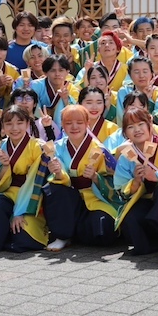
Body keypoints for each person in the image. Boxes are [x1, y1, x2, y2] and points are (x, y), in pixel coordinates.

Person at [42, 105, 120, 251]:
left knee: (103, 231)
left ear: (87, 124)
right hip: (68, 199)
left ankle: (76, 231)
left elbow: (113, 179)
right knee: (54, 188)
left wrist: (96, 177)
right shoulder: (56, 148)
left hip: (95, 197)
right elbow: (55, 178)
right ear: (63, 126)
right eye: (69, 122)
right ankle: (63, 235)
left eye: (79, 122)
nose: (74, 126)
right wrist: (58, 173)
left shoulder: (99, 149)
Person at [114, 107, 158, 256]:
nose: (137, 130)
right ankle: (155, 244)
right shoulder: (127, 156)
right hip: (145, 198)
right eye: (130, 127)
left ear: (149, 125)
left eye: (140, 124)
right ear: (125, 133)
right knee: (132, 217)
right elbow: (120, 189)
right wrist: (136, 182)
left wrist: (157, 176)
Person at [0, 106, 49, 252]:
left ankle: (5, 235)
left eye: (19, 123)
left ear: (27, 124)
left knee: (23, 240)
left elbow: (36, 183)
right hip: (8, 193)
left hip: (32, 198)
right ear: (3, 127)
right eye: (9, 124)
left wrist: (19, 212)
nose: (15, 128)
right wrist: (5, 166)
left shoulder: (38, 147)